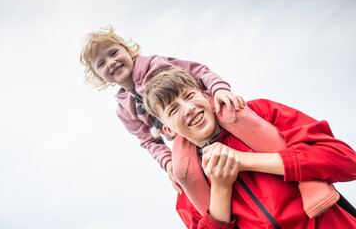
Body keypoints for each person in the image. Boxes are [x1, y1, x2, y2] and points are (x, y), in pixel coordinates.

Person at [143, 66, 356, 228]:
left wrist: (243, 160)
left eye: (189, 96)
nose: (188, 109)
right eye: (173, 110)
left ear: (206, 95)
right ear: (168, 130)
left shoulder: (259, 113)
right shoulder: (186, 185)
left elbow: (346, 160)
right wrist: (221, 186)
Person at [79, 26, 245, 194]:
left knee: (233, 114)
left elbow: (198, 71)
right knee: (185, 173)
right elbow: (149, 140)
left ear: (128, 51)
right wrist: (168, 163)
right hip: (186, 135)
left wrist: (219, 89)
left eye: (113, 53)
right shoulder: (125, 110)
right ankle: (209, 210)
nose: (111, 62)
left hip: (207, 115)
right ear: (100, 77)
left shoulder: (156, 64)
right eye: (101, 64)